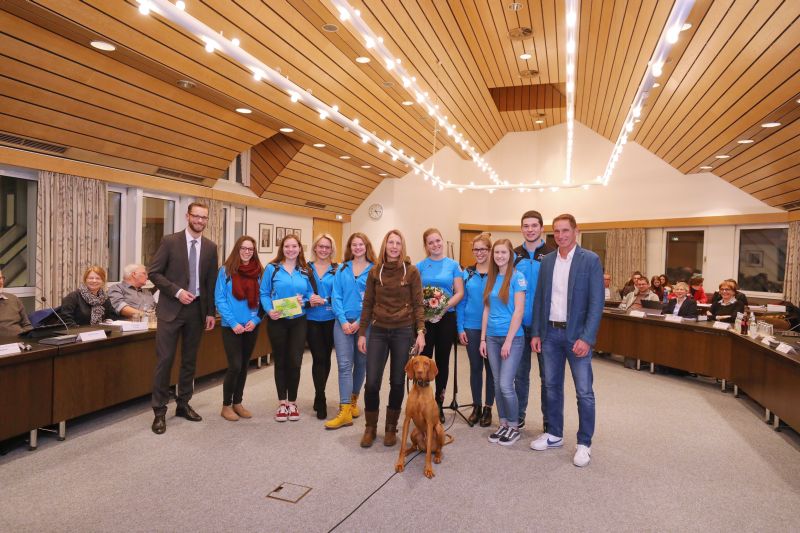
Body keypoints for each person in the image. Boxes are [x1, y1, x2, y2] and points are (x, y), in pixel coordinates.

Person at [530, 214, 604, 468]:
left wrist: (587, 337)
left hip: (577, 337)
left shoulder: (590, 260)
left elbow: (596, 304)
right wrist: (537, 332)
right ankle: (554, 434)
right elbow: (540, 299)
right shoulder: (548, 261)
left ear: (576, 231)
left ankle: (584, 443)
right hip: (550, 334)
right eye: (557, 231)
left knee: (584, 392)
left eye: (565, 230)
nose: (561, 235)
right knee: (551, 386)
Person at [148, 202, 218, 435]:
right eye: (196, 216)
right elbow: (154, 273)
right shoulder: (170, 241)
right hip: (171, 309)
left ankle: (183, 404)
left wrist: (210, 312)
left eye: (204, 218)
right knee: (165, 361)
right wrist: (177, 291)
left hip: (197, 312)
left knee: (189, 361)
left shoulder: (210, 247)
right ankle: (159, 411)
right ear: (188, 216)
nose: (200, 221)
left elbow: (210, 282)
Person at [358, 229, 425, 448]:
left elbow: (418, 305)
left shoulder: (411, 272)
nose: (394, 246)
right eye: (390, 242)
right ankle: (370, 428)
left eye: (398, 243)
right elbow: (367, 303)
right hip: (378, 331)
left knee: (397, 382)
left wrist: (421, 332)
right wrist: (362, 333)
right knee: (372, 383)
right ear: (384, 246)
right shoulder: (374, 271)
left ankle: (390, 428)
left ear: (402, 246)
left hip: (403, 331)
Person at [260, 234, 315, 422]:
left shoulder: (305, 271)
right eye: (287, 246)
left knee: (295, 362)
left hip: (298, 321)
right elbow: (264, 293)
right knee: (281, 361)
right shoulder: (272, 269)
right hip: (278, 321)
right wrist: (269, 310)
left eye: (294, 246)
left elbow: (310, 294)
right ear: (282, 249)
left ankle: (293, 402)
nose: (290, 250)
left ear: (300, 248)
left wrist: (304, 300)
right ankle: (282, 403)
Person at [326, 232, 376, 430]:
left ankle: (354, 400)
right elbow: (335, 295)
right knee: (344, 365)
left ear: (366, 246)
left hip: (365, 325)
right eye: (354, 245)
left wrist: (360, 324)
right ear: (350, 247)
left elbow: (375, 300)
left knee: (361, 363)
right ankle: (345, 409)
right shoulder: (342, 268)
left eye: (361, 244)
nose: (357, 248)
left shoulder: (374, 269)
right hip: (342, 324)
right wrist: (343, 320)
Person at [480, 239, 527, 446]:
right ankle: (504, 423)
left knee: (507, 385)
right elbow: (487, 309)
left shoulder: (518, 277)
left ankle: (514, 426)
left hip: (512, 338)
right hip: (491, 337)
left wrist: (508, 341)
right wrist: (482, 338)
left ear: (511, 254)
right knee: (497, 384)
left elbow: (519, 311)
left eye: (503, 252)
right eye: (496, 252)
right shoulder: (490, 278)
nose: (499, 256)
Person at [214, 235, 263, 422]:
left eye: (250, 249)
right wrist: (233, 322)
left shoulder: (259, 271)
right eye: (243, 248)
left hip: (251, 326)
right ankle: (226, 405)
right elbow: (220, 299)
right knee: (234, 365)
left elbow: (263, 298)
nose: (247, 252)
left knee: (243, 366)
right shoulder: (226, 271)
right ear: (237, 249)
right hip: (231, 326)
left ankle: (238, 402)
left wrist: (256, 320)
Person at [417, 228, 463, 423]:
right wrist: (428, 313)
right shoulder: (420, 266)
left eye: (438, 240)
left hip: (446, 318)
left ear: (442, 241)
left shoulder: (453, 265)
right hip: (426, 320)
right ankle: (422, 402)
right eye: (430, 242)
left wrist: (442, 308)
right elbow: (416, 293)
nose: (435, 245)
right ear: (426, 246)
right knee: (423, 363)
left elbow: (459, 292)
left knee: (442, 363)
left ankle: (438, 404)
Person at [513, 210, 552, 430]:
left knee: (548, 377)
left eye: (534, 225)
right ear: (521, 229)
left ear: (541, 228)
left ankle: (549, 422)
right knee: (520, 376)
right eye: (526, 226)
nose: (530, 229)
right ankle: (518, 416)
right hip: (519, 325)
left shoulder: (552, 254)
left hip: (545, 327)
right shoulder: (513, 255)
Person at [456, 233, 494, 427]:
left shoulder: (498, 273)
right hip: (471, 327)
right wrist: (460, 326)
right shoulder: (467, 273)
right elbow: (461, 301)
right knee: (475, 368)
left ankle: (488, 408)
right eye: (476, 249)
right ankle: (477, 406)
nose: (479, 253)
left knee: (491, 369)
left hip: (493, 329)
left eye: (483, 249)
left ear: (490, 250)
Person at [306, 233, 338, 420]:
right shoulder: (305, 269)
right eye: (321, 246)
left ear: (331, 249)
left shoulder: (338, 269)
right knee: (318, 358)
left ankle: (319, 393)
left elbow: (342, 294)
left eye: (327, 247)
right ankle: (321, 396)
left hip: (331, 319)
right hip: (311, 319)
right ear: (315, 248)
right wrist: (308, 299)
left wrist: (325, 299)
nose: (324, 250)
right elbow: (300, 292)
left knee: (326, 358)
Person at [0, 269, 32, 336]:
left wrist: (27, 339)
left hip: (20, 342)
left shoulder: (14, 299)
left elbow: (26, 324)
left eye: (1, 278)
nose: (0, 281)